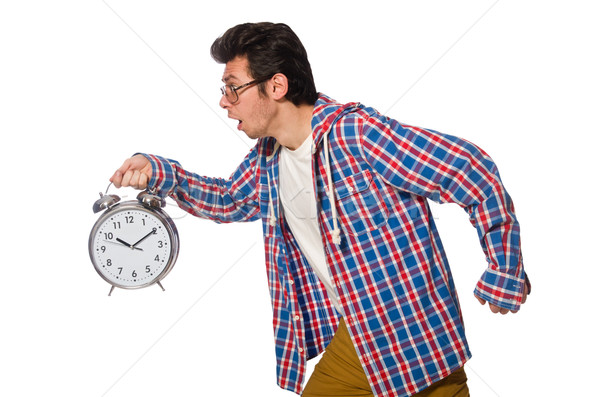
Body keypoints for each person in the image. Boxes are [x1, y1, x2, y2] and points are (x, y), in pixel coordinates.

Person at [110, 22, 530, 397]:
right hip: (358, 339)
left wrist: (505, 271)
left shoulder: (357, 135)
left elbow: (470, 170)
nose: (225, 101)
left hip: (416, 341)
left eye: (233, 87)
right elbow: (229, 199)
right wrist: (160, 172)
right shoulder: (269, 158)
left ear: (275, 86)